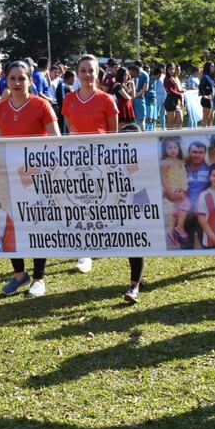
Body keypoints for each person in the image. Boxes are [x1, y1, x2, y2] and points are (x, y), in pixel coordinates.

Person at [0, 60, 60, 296]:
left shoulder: (42, 105)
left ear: (30, 80)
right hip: (11, 178)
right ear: (6, 81)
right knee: (10, 225)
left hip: (38, 178)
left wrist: (41, 169)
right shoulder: (1, 109)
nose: (17, 83)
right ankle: (19, 274)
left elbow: (56, 141)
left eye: (22, 78)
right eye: (12, 78)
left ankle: (39, 278)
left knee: (37, 225)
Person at [61, 54, 119, 274]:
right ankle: (83, 253)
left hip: (101, 159)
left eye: (91, 70)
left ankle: (100, 240)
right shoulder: (69, 100)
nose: (87, 75)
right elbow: (70, 127)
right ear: (77, 73)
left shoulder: (106, 99)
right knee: (80, 204)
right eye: (83, 70)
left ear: (98, 73)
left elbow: (112, 134)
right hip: (76, 160)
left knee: (100, 204)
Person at [117, 123, 147, 304]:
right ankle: (139, 279)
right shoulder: (114, 160)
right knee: (131, 243)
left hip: (141, 204)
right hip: (122, 206)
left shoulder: (146, 157)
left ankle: (134, 286)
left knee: (135, 242)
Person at [160, 137, 191, 245]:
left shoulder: (181, 160)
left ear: (179, 148)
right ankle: (179, 227)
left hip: (182, 188)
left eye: (175, 147)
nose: (172, 150)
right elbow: (163, 178)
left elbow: (189, 156)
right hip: (174, 189)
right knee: (186, 205)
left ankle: (171, 229)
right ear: (164, 150)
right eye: (169, 148)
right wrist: (168, 191)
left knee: (176, 211)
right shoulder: (165, 162)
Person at [129, 63, 150, 130]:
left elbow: (145, 89)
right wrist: (135, 96)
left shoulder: (130, 73)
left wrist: (133, 96)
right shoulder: (145, 74)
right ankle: (141, 134)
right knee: (140, 119)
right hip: (138, 98)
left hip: (131, 97)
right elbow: (145, 89)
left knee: (136, 119)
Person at [163, 63, 184, 129]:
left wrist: (181, 92)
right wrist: (179, 94)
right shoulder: (166, 79)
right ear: (167, 70)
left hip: (177, 100)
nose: (172, 71)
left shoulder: (175, 78)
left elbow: (177, 90)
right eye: (170, 69)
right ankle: (169, 137)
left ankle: (177, 136)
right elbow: (170, 90)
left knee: (180, 120)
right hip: (170, 101)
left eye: (173, 69)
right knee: (171, 121)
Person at [54, 70, 75, 134]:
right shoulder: (63, 85)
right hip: (64, 114)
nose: (74, 80)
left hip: (68, 113)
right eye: (74, 78)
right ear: (70, 78)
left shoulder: (66, 85)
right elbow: (64, 101)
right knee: (65, 132)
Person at [199, 62, 215, 127]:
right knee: (205, 118)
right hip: (206, 100)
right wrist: (204, 95)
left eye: (214, 66)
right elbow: (200, 87)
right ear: (208, 67)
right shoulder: (205, 77)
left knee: (211, 117)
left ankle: (209, 134)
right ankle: (202, 135)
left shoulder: (211, 77)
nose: (213, 67)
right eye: (212, 66)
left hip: (211, 100)